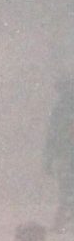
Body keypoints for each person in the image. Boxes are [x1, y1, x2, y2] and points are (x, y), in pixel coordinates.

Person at [46, 76, 74, 231]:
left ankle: (61, 222)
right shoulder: (61, 109)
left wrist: (48, 160)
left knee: (67, 191)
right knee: (68, 190)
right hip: (66, 156)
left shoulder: (60, 110)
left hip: (64, 156)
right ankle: (62, 221)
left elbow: (52, 137)